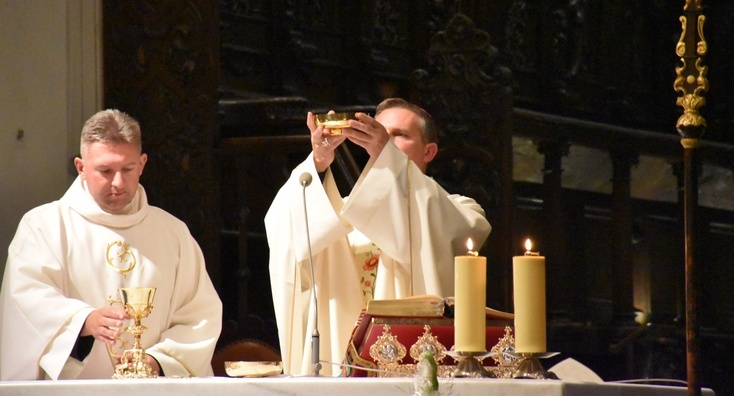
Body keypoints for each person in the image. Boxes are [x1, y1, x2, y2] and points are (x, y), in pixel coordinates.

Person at [265, 98, 491, 376]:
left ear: (429, 151)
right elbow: (288, 230)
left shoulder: (460, 209)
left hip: (412, 365)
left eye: (399, 135)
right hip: (338, 362)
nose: (385, 141)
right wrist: (318, 164)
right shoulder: (338, 210)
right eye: (379, 132)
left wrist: (388, 155)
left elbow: (457, 231)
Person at [0, 109, 222, 380]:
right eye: (105, 170)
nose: (117, 182)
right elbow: (26, 299)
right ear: (81, 167)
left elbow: (199, 315)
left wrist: (157, 361)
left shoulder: (173, 233)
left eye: (127, 169)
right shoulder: (44, 227)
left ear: (142, 164)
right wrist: (82, 321)